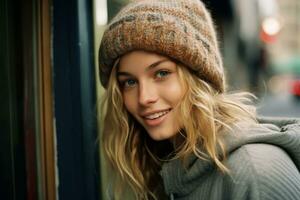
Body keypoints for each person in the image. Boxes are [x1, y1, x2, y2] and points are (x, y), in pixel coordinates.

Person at [98, 0, 300, 199]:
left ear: (199, 77)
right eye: (130, 82)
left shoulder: (256, 176)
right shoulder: (163, 168)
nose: (144, 98)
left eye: (161, 73)